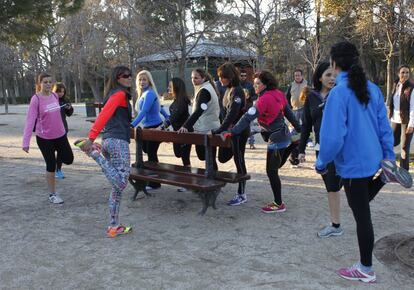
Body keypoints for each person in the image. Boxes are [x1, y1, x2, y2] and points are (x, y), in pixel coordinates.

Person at [315, 41, 412, 283]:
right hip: (373, 159)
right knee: (361, 200)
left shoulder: (338, 93)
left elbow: (332, 137)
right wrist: (388, 156)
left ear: (335, 64)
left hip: (353, 162)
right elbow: (384, 127)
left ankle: (366, 268)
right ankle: (385, 176)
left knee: (362, 215)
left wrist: (322, 161)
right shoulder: (372, 88)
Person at [226, 71, 301, 213]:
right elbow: (288, 112)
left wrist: (234, 131)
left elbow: (247, 117)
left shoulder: (264, 99)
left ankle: (278, 204)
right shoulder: (278, 93)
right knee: (275, 166)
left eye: (258, 83)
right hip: (282, 134)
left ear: (266, 84)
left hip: (275, 137)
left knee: (271, 171)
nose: (255, 86)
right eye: (254, 84)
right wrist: (298, 127)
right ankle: (292, 145)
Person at [75, 65, 133, 238]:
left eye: (130, 75)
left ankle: (113, 226)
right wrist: (91, 140)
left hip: (109, 141)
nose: (129, 77)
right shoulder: (119, 94)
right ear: (117, 78)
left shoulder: (118, 95)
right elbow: (104, 115)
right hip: (117, 142)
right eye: (125, 75)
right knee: (122, 183)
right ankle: (94, 155)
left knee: (117, 189)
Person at [297, 62, 344, 238]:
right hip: (322, 149)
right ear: (319, 77)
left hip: (342, 149)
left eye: (334, 75)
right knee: (331, 185)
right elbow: (306, 125)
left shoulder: (340, 94)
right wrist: (301, 149)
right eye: (328, 75)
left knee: (334, 185)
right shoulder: (312, 97)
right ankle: (336, 223)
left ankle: (336, 224)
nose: (332, 79)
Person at [22, 72, 74, 204]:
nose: (48, 84)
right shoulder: (36, 99)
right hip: (44, 138)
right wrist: (25, 142)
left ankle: (55, 156)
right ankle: (52, 194)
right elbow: (30, 121)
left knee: (69, 159)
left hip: (60, 135)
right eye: (45, 82)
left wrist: (68, 107)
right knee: (50, 164)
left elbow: (63, 111)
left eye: (50, 82)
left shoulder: (55, 95)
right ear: (39, 84)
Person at [211, 62, 248, 206]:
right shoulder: (229, 90)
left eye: (223, 77)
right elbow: (226, 112)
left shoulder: (237, 91)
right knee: (222, 157)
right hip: (230, 131)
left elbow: (232, 114)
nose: (221, 80)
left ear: (230, 77)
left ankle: (241, 193)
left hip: (239, 131)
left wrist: (220, 129)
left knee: (239, 160)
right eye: (220, 77)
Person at [131, 70, 169, 190]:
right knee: (148, 151)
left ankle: (155, 183)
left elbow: (144, 111)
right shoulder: (144, 93)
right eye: (140, 79)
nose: (142, 81)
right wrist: (167, 117)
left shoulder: (150, 94)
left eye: (144, 79)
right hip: (147, 128)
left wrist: (131, 125)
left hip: (154, 128)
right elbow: (160, 107)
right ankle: (154, 180)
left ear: (149, 81)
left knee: (151, 154)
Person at [178, 68, 220, 169]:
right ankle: (213, 175)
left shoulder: (204, 91)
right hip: (208, 126)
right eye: (192, 78)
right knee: (206, 156)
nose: (193, 80)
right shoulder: (206, 88)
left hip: (207, 128)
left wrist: (186, 126)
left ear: (203, 78)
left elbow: (199, 111)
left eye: (196, 78)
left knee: (207, 156)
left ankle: (213, 177)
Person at [387, 64, 414, 171]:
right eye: (403, 72)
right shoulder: (395, 84)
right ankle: (389, 166)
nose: (405, 74)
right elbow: (393, 102)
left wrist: (411, 124)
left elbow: (413, 107)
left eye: (407, 72)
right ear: (398, 73)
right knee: (390, 142)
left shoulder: (411, 88)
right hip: (395, 120)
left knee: (404, 148)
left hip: (407, 121)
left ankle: (404, 172)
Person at [163, 77, 192, 168]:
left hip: (185, 133)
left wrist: (164, 125)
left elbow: (175, 116)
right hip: (177, 132)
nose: (168, 89)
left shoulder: (182, 101)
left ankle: (189, 176)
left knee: (184, 157)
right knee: (178, 153)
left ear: (176, 87)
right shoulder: (176, 100)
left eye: (170, 87)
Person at [286, 69, 308, 166]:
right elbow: (287, 98)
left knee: (303, 132)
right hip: (294, 111)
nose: (297, 77)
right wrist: (289, 109)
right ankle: (293, 158)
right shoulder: (291, 85)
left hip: (304, 110)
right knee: (293, 133)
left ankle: (302, 155)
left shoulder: (307, 85)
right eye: (295, 75)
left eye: (299, 75)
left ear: (302, 76)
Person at [53, 82, 73, 179]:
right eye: (58, 91)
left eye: (62, 92)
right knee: (51, 151)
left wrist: (69, 108)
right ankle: (51, 169)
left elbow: (69, 114)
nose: (60, 93)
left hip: (62, 129)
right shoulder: (51, 100)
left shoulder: (65, 100)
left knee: (61, 151)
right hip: (51, 130)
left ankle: (58, 170)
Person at [240, 70, 257, 149]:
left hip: (249, 108)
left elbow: (255, 96)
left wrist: (249, 97)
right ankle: (240, 143)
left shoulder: (250, 85)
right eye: (242, 75)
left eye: (244, 76)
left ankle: (251, 143)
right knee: (239, 126)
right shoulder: (237, 85)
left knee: (251, 126)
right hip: (239, 109)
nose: (243, 77)